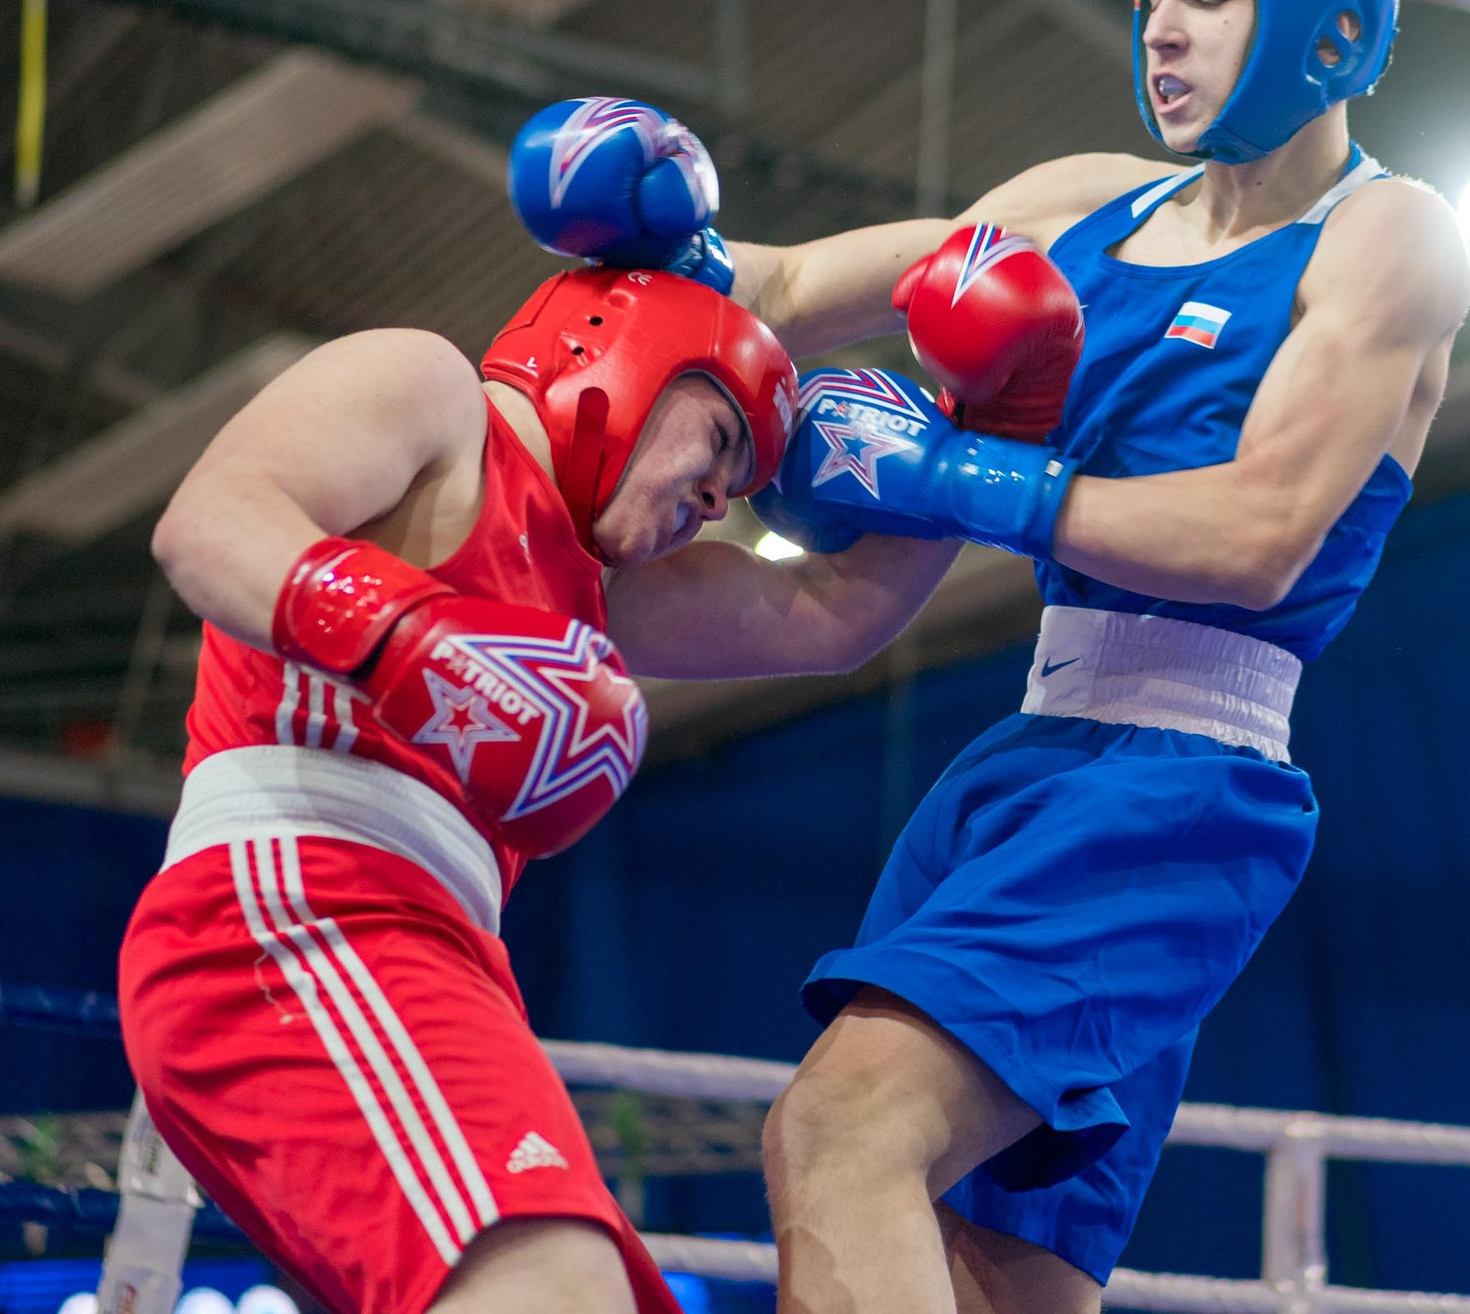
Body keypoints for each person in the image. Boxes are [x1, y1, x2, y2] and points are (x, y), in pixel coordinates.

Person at [515, 0, 1470, 1314]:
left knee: (839, 1133)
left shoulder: (1388, 233)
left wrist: (960, 475)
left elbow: (1260, 530)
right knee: (999, 1274)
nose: (1159, 23)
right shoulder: (1083, 203)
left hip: (1182, 779)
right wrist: (655, 228)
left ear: (1330, 18)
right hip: (1031, 758)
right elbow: (775, 286)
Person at [119, 251, 957, 1314]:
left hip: (442, 954)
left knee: (589, 1292)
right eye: (720, 440)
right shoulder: (431, 396)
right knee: (552, 1289)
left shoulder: (597, 595)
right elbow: (211, 522)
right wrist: (414, 644)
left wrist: (989, 425)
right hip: (294, 912)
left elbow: (839, 618)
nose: (716, 493)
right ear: (633, 358)